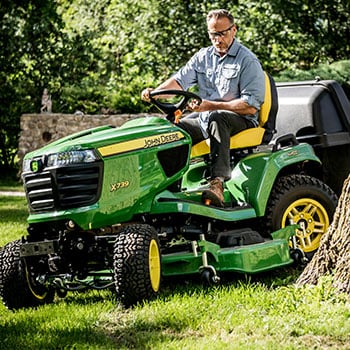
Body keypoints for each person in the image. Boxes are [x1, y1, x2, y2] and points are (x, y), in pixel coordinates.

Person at [141, 9, 265, 206]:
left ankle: (217, 183)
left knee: (218, 116)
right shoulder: (203, 57)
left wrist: (209, 105)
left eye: (222, 33)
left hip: (240, 120)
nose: (217, 39)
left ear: (234, 30)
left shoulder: (247, 61)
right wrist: (155, 92)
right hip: (205, 120)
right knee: (173, 128)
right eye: (213, 34)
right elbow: (179, 82)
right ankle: (168, 185)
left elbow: (250, 106)